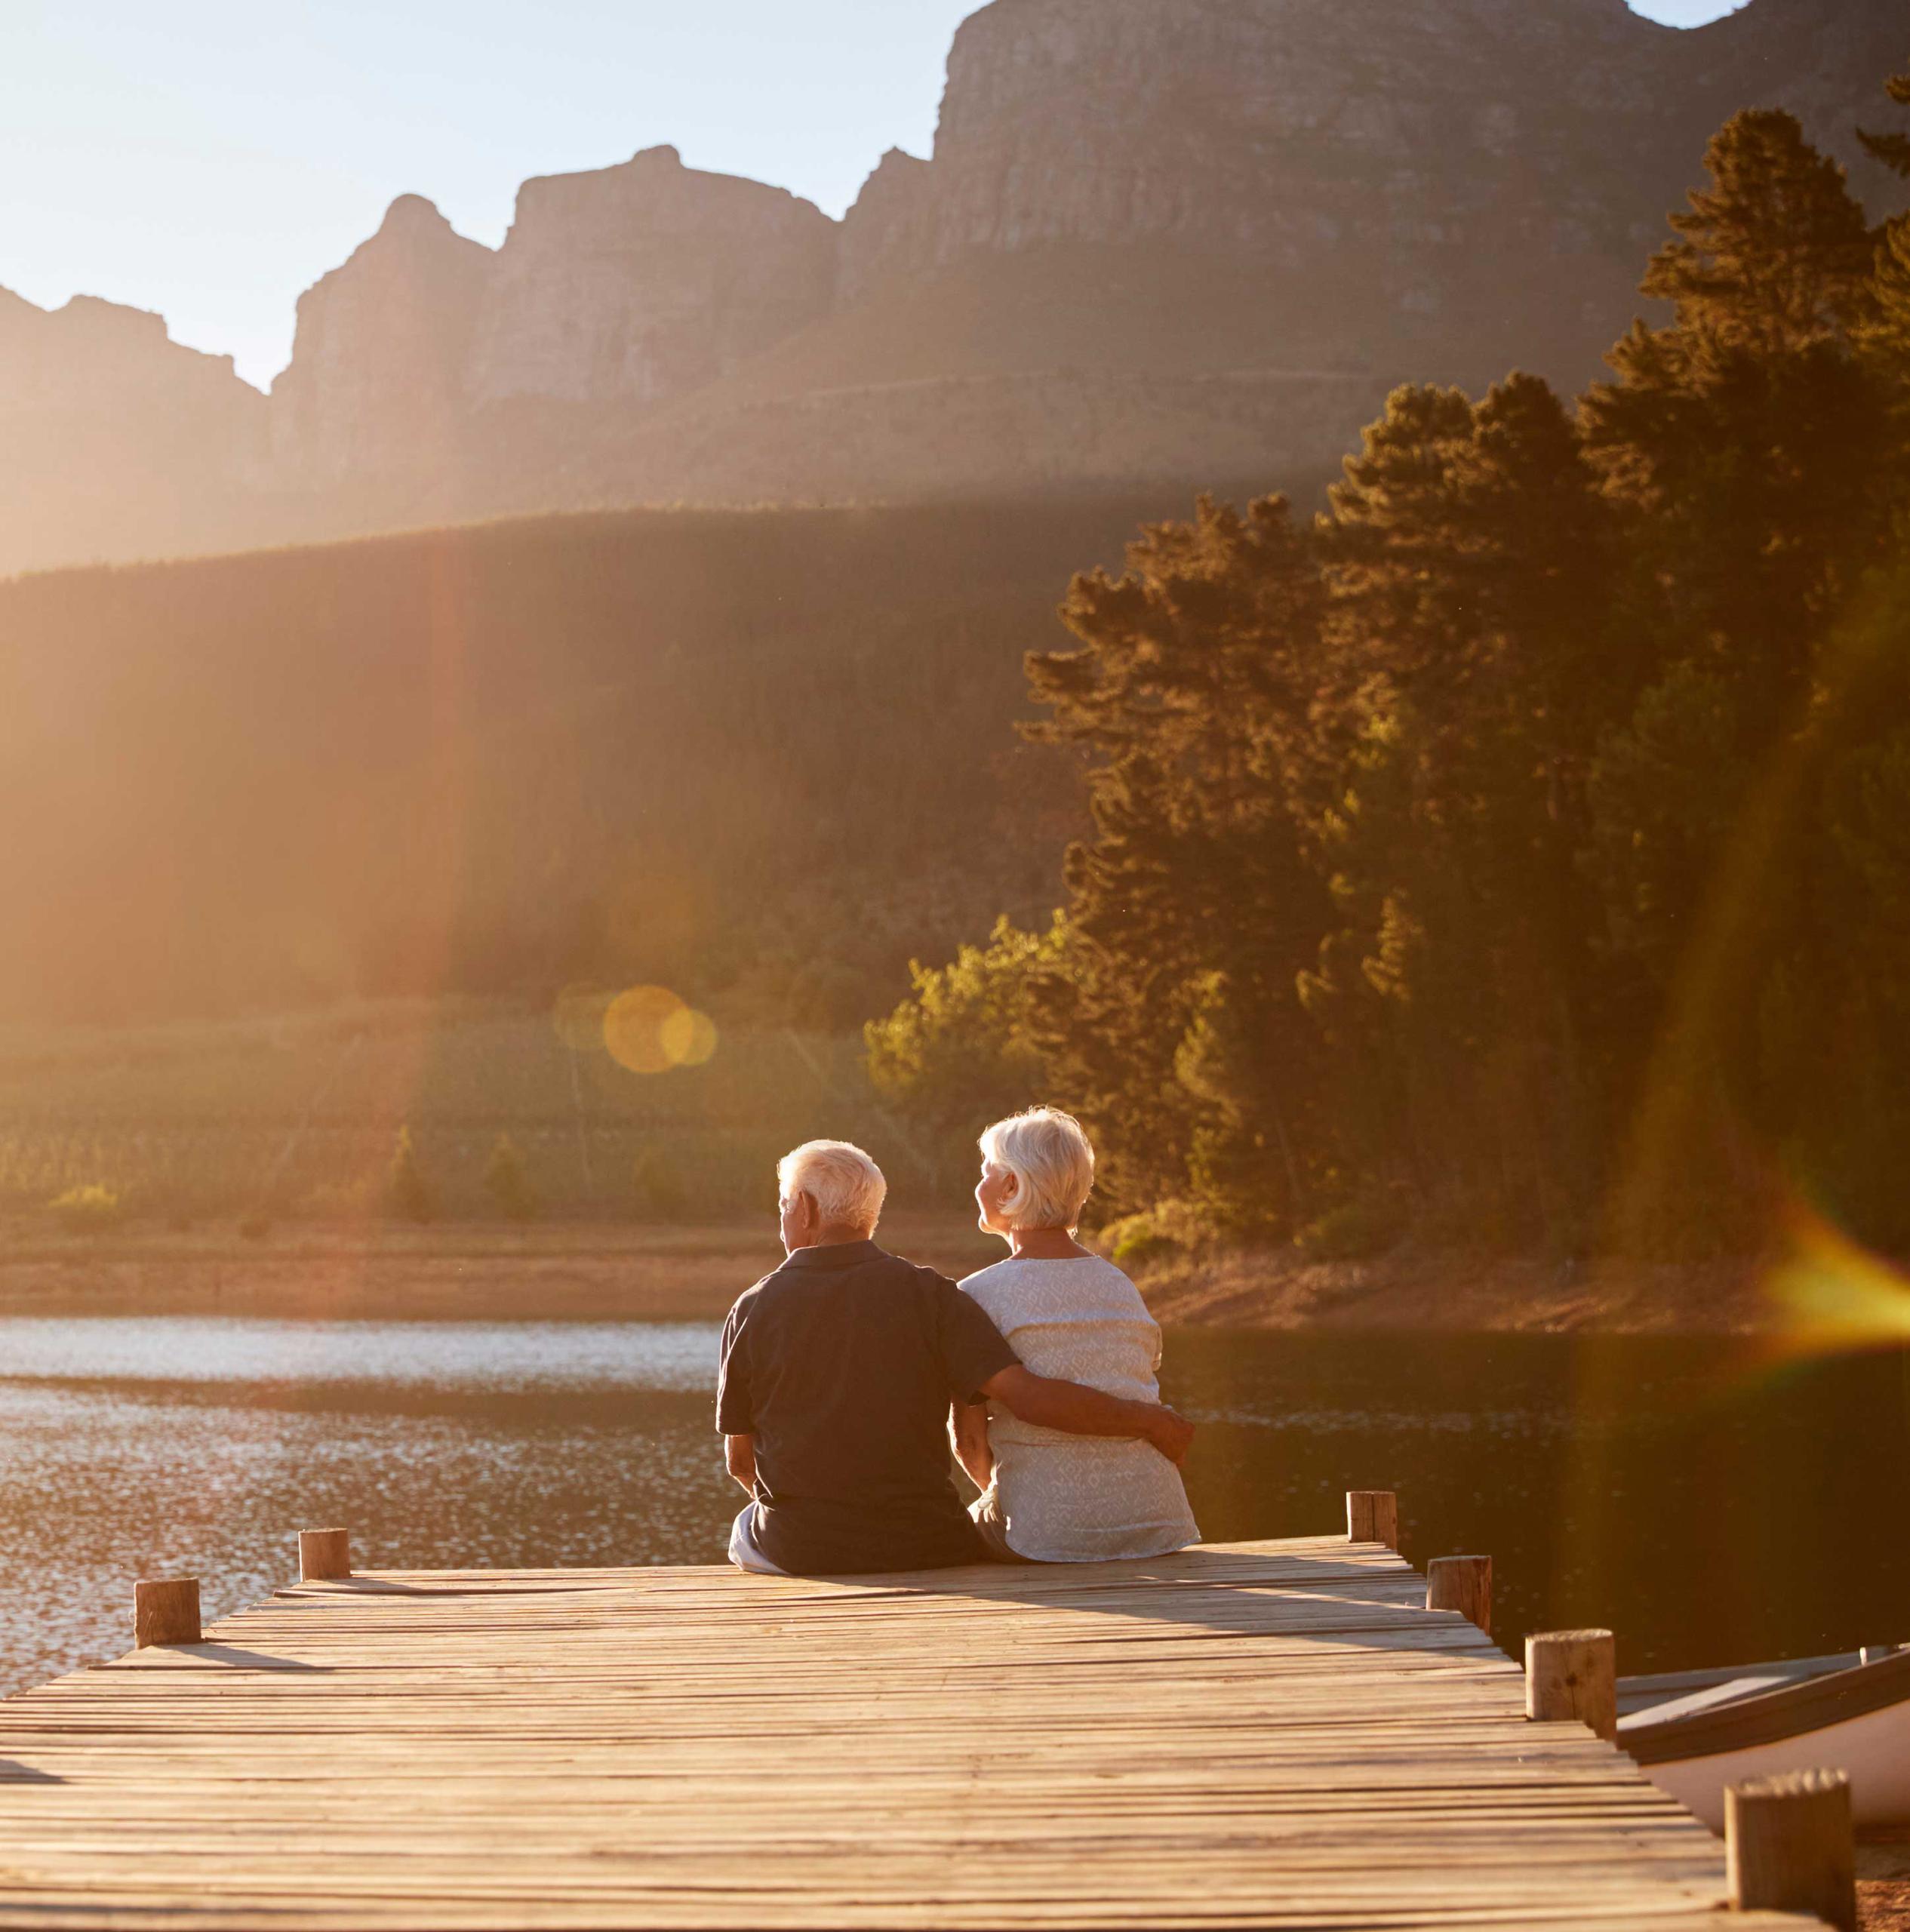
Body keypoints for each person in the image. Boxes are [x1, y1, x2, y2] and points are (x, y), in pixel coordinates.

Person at [718, 1138, 1194, 1577]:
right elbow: (998, 1413)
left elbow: (740, 1463)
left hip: (802, 1548)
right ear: (870, 1214)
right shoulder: (936, 1296)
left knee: (744, 1528)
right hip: (927, 1542)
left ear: (804, 1209)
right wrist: (1150, 1421)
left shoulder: (751, 1308)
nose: (782, 1220)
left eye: (783, 1206)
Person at [952, 1107, 1200, 1562]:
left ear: (1011, 1186)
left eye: (986, 1173)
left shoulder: (974, 1296)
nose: (978, 1186)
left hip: (1045, 1537)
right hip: (1158, 1525)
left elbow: (969, 1445)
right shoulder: (1120, 1285)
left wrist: (1016, 1500)